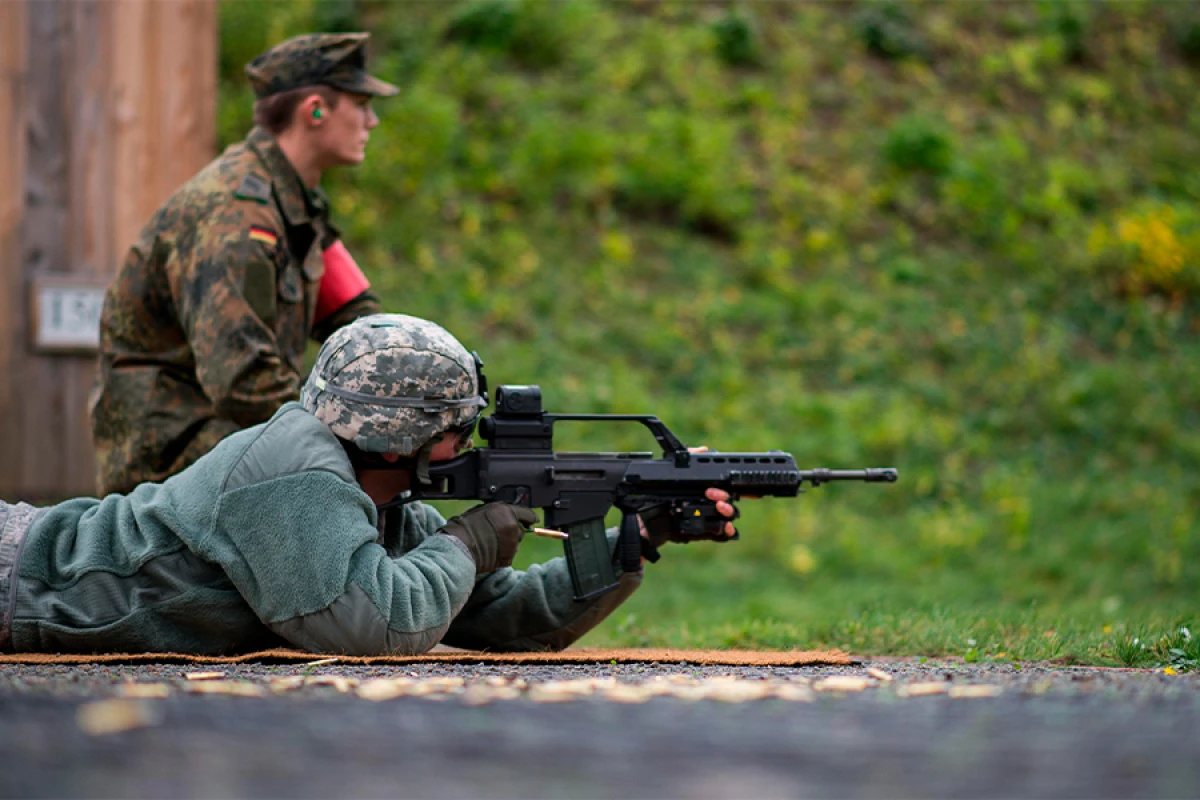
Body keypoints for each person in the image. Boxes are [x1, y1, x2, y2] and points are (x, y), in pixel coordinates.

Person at [1, 315, 737, 656]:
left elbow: (503, 617)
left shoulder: (377, 492)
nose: (466, 444)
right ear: (401, 434)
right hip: (18, 578)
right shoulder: (292, 474)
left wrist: (638, 538)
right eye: (456, 427)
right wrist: (472, 539)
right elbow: (376, 627)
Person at [90, 32, 399, 496]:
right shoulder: (235, 215)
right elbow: (242, 381)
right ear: (315, 110)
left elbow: (359, 321)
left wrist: (415, 391)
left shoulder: (293, 207)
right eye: (361, 104)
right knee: (345, 487)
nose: (371, 121)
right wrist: (361, 436)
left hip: (225, 445)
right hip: (170, 465)